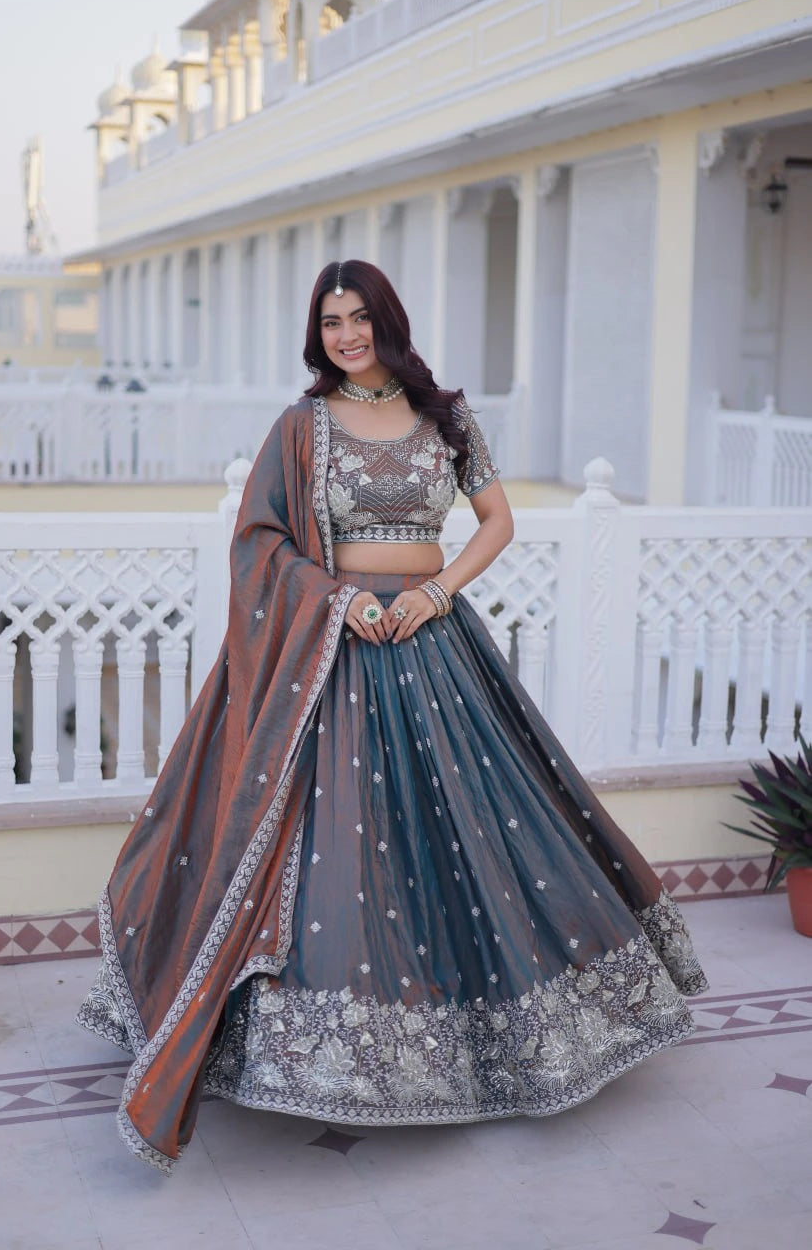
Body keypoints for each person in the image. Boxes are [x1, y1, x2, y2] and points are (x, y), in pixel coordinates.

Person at [76, 259, 708, 1174]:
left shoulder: (443, 416)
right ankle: (322, 1055)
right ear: (316, 332)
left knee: (474, 839)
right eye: (331, 321)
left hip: (430, 637)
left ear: (386, 321)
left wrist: (438, 594)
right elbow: (260, 540)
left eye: (359, 317)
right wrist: (333, 599)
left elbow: (495, 520)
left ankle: (487, 1042)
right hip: (332, 648)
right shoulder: (300, 425)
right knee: (341, 852)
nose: (346, 335)